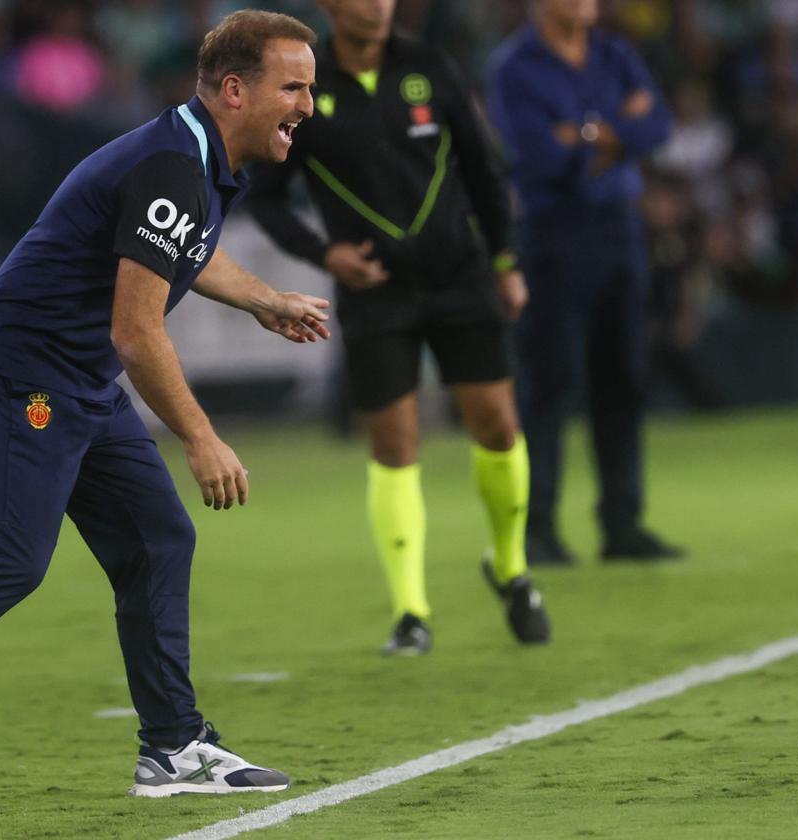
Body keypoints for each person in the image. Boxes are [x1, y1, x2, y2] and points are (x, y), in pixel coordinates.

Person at [0, 10, 329, 808]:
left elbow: (186, 250)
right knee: (14, 557)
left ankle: (173, 746)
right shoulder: (172, 165)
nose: (306, 104)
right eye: (293, 87)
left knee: (158, 538)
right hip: (20, 370)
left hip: (73, 372)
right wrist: (201, 437)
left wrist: (262, 300)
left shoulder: (191, 153)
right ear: (236, 90)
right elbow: (136, 330)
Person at [248, 0, 550, 656]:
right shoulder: (305, 84)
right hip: (376, 290)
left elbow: (481, 168)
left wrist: (505, 261)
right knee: (394, 443)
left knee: (498, 424)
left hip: (459, 275)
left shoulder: (430, 66)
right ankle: (411, 611)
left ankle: (511, 568)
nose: (379, 5)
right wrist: (323, 255)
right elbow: (264, 197)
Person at [487, 0, 684, 565]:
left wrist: (590, 135)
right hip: (552, 233)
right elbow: (537, 154)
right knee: (548, 382)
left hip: (619, 229)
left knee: (622, 376)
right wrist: (619, 131)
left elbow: (658, 124)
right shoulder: (514, 65)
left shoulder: (613, 51)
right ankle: (538, 530)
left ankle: (622, 525)